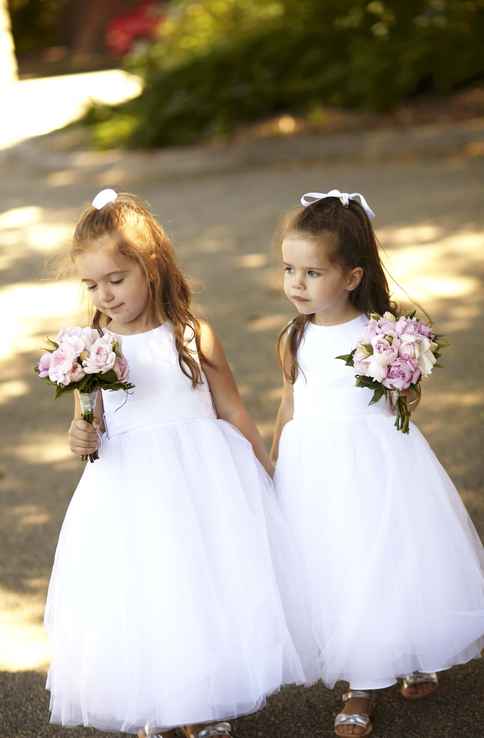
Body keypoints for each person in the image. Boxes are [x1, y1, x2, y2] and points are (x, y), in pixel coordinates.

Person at [45, 189, 304, 738]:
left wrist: (265, 470)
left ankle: (200, 701)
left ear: (152, 268)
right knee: (149, 592)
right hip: (130, 489)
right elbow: (91, 424)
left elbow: (231, 407)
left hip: (201, 483)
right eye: (92, 284)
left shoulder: (192, 335)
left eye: (116, 279)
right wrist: (80, 435)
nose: (105, 295)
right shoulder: (91, 349)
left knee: (203, 587)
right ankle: (161, 702)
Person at [271, 189, 484, 737]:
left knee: (387, 558)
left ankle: (403, 655)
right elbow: (289, 401)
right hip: (313, 467)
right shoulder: (296, 336)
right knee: (336, 565)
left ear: (351, 277)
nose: (297, 283)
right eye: (289, 269)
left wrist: (404, 372)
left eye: (312, 272)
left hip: (375, 463)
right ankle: (359, 680)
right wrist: (273, 458)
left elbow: (401, 403)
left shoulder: (381, 332)